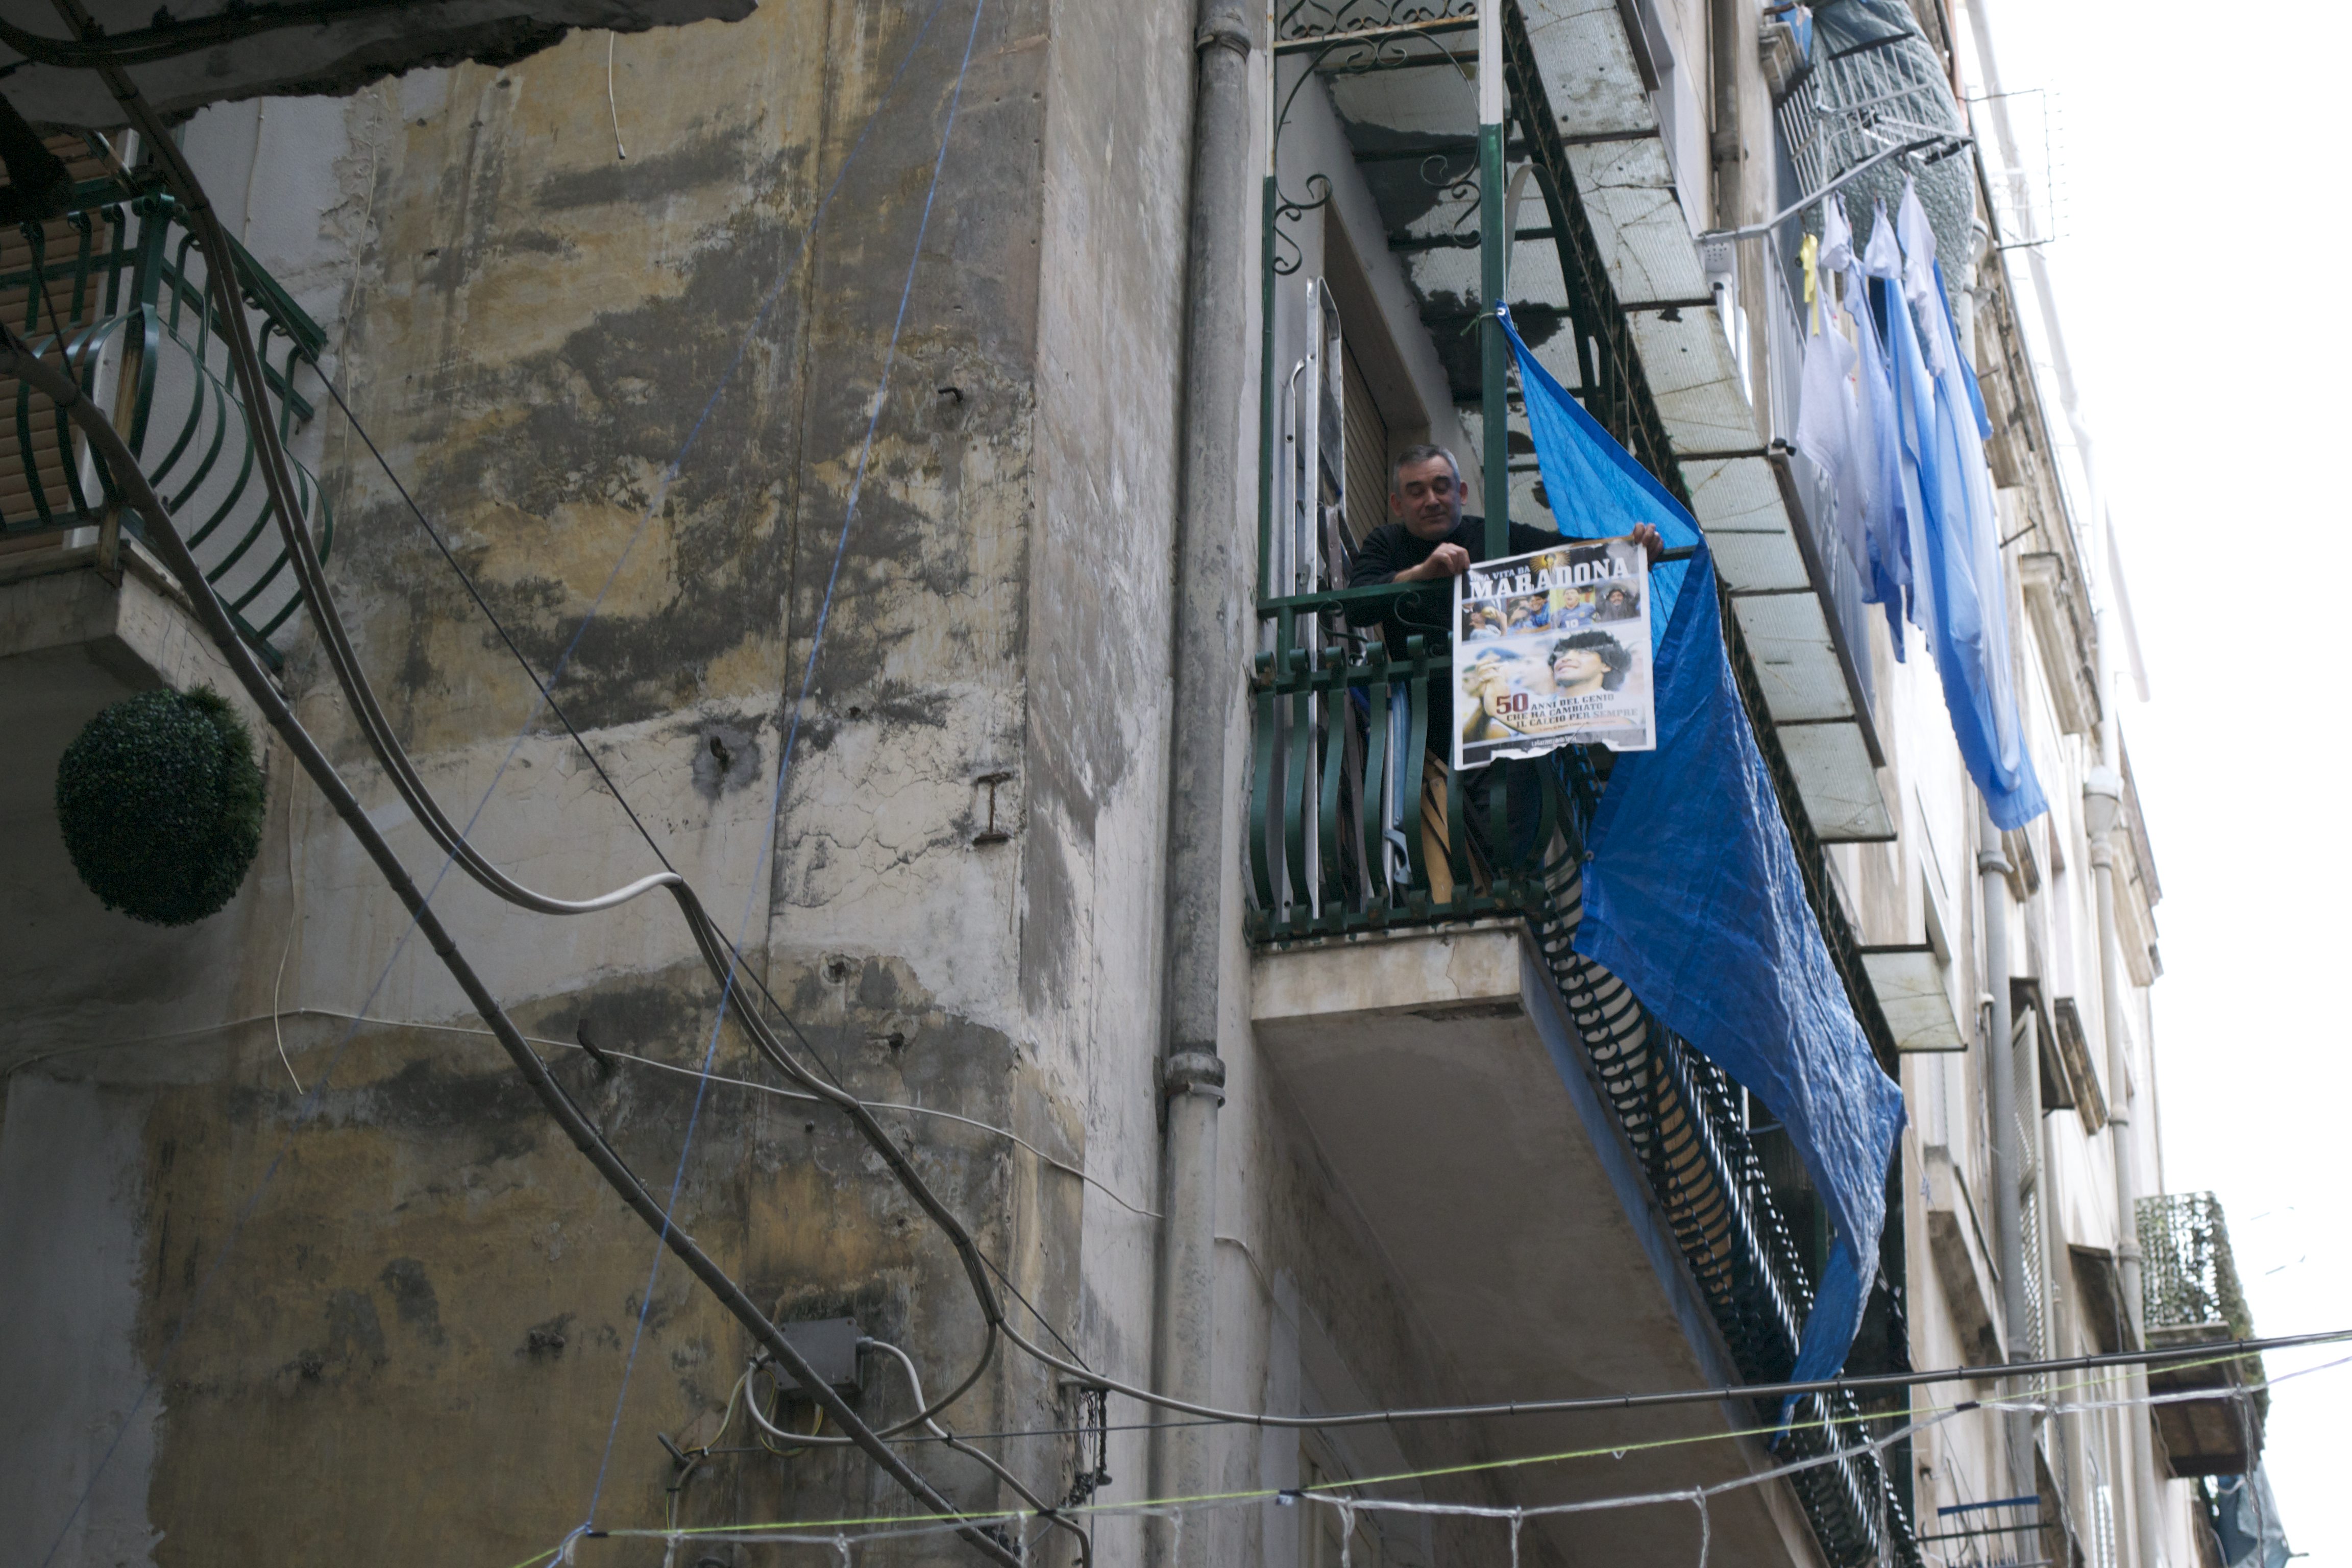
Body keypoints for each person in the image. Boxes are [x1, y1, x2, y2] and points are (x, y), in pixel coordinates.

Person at [1346, 443, 1662, 897]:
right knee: (1442, 836)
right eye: (1415, 492)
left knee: (1509, 817)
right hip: (1425, 728)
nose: (1431, 499)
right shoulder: (1387, 544)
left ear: (1463, 492)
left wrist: (1632, 551)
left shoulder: (1497, 537)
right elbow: (1360, 600)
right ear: (1398, 504)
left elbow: (1572, 558)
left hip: (1501, 721)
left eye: (1441, 487)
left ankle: (1506, 906)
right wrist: (1422, 573)